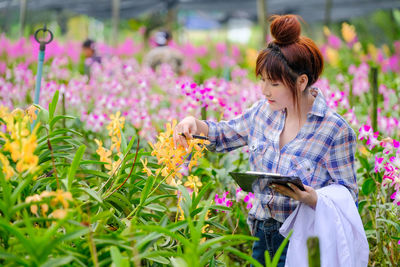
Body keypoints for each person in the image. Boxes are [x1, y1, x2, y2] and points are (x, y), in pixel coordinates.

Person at [173, 14, 360, 266]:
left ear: (301, 81)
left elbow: (348, 198)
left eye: (273, 83)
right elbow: (222, 135)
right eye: (262, 80)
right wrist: (194, 123)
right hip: (261, 232)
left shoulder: (335, 130)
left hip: (302, 238)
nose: (264, 90)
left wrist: (310, 197)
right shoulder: (262, 113)